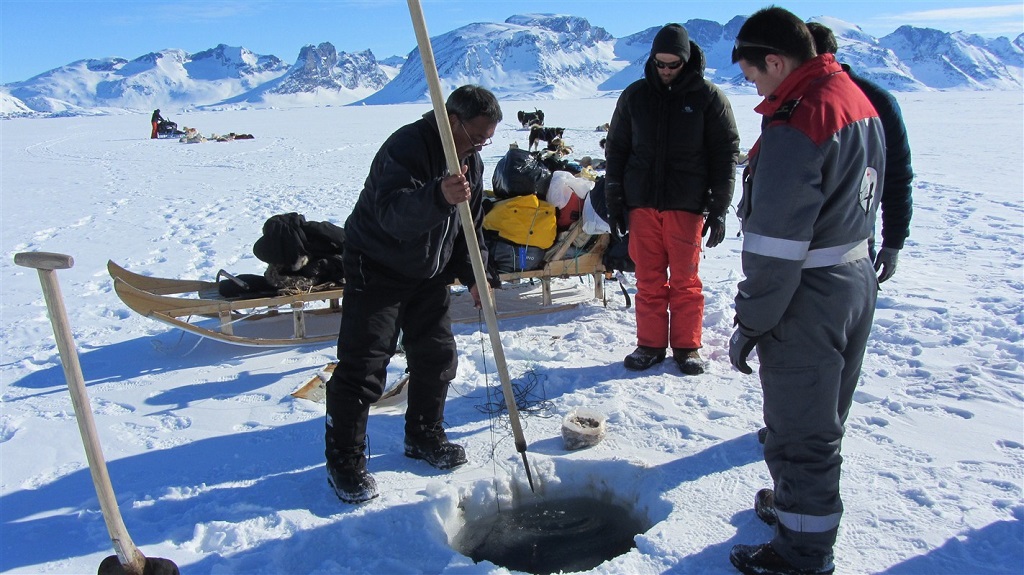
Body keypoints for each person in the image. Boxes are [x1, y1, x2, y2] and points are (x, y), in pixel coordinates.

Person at [727, 7, 886, 575]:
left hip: (807, 294)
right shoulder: (852, 97)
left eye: (754, 76)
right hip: (852, 278)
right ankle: (797, 509)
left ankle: (802, 554)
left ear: (776, 60)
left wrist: (752, 322)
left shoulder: (799, 122)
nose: (755, 89)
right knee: (822, 415)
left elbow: (774, 250)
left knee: (801, 433)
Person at [323, 85, 502, 504]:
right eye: (476, 136)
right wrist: (438, 195)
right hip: (378, 266)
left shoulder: (470, 161)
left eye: (486, 140)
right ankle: (344, 461)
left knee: (437, 355)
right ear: (451, 120)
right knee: (364, 365)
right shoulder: (407, 146)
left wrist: (478, 274)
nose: (479, 146)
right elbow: (393, 215)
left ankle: (423, 435)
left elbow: (469, 228)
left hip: (428, 274)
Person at [604, 23, 740, 375]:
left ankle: (687, 346)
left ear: (686, 60)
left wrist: (720, 207)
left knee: (685, 280)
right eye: (660, 64)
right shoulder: (634, 97)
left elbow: (724, 155)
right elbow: (617, 150)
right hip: (642, 204)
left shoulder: (709, 99)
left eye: (673, 65)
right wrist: (615, 199)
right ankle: (649, 345)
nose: (665, 71)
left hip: (687, 204)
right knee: (648, 279)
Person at [806, 22, 914, 284]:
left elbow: (896, 176)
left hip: (852, 239)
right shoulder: (787, 102)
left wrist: (894, 242)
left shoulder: (876, 102)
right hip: (795, 237)